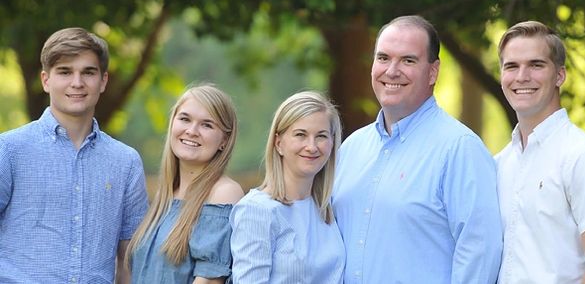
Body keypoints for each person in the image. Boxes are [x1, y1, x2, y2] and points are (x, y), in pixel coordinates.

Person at [332, 15, 503, 283]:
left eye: (408, 60)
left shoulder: (459, 149)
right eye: (383, 58)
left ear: (433, 72)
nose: (391, 71)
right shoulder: (351, 148)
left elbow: (480, 253)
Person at [0, 27, 148, 283]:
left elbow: (129, 262)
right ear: (46, 80)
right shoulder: (9, 150)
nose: (77, 83)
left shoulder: (126, 162)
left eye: (88, 72)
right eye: (65, 72)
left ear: (103, 81)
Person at [495, 20, 585, 283]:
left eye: (536, 65)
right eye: (511, 66)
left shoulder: (584, 155)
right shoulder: (499, 163)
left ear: (560, 75)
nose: (522, 76)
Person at [126, 84, 244, 283]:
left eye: (207, 124)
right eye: (184, 119)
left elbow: (209, 280)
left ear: (224, 140)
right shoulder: (165, 197)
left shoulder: (223, 193)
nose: (192, 131)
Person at [230, 91, 345, 283]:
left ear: (332, 143)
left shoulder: (328, 209)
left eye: (321, 136)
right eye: (300, 135)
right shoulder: (257, 210)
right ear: (278, 143)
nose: (312, 146)